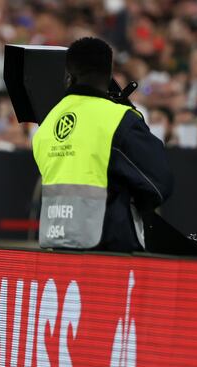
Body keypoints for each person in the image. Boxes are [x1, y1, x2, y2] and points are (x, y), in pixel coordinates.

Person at [32, 37, 173, 252]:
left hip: (57, 239)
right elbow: (160, 183)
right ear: (109, 74)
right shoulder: (119, 119)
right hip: (109, 242)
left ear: (68, 75)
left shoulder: (47, 123)